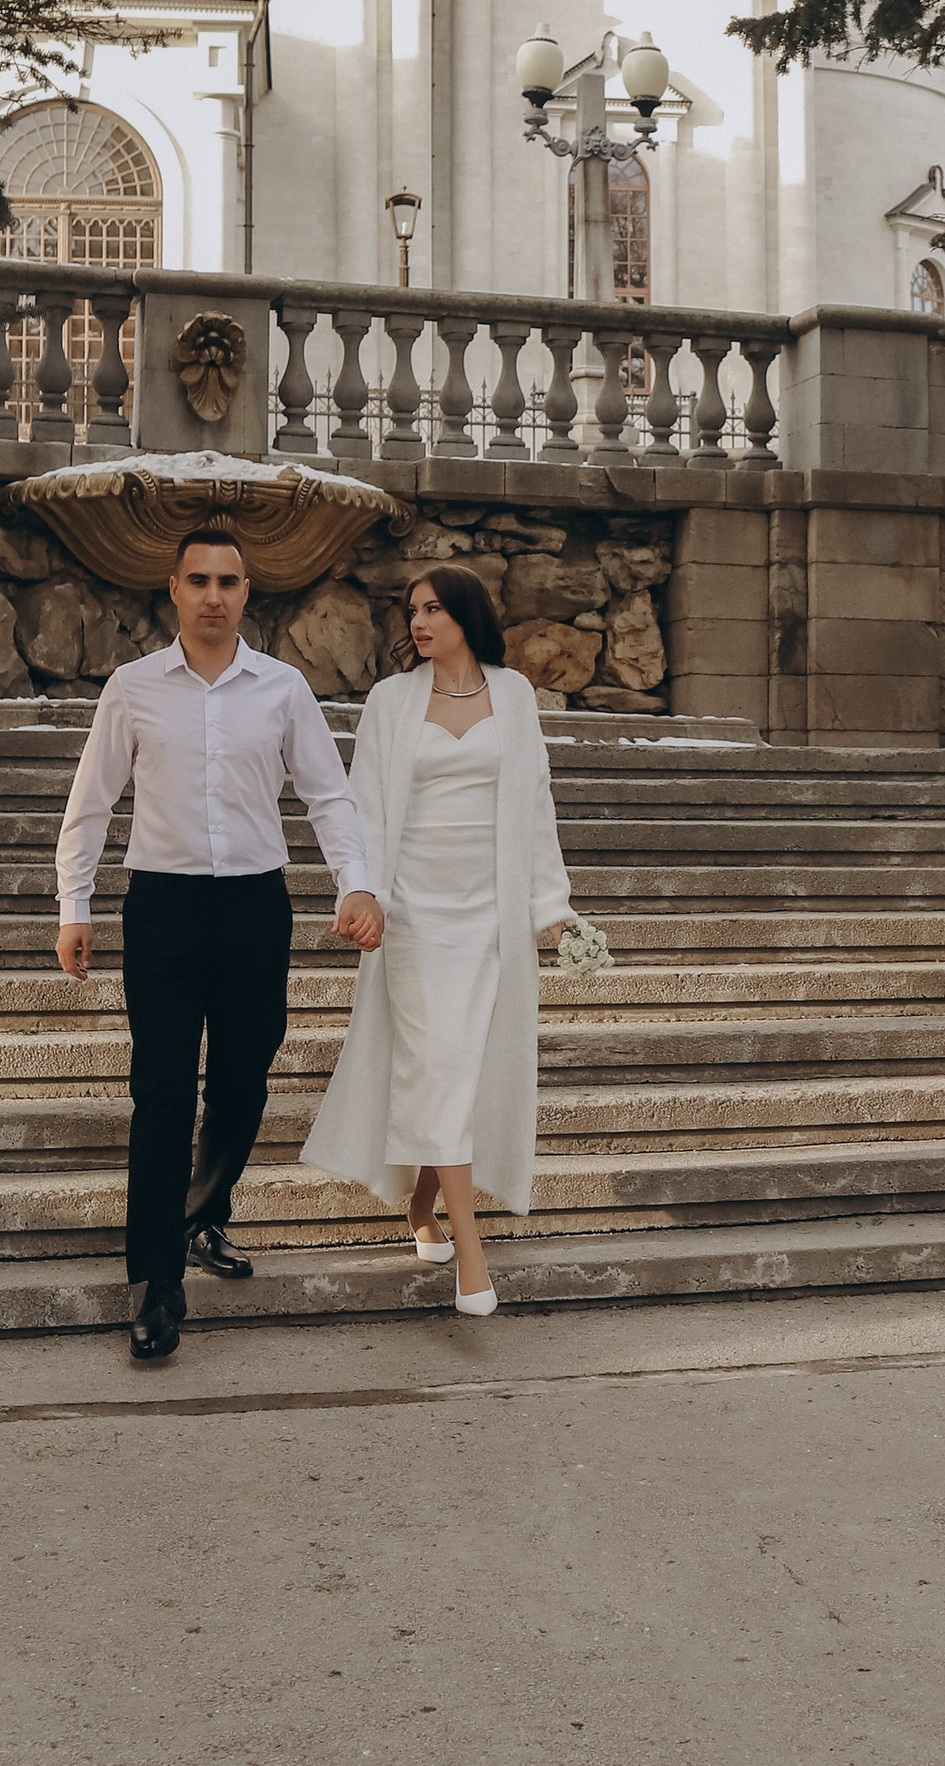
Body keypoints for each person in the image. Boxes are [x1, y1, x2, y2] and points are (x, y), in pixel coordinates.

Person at [55, 525, 383, 1368]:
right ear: (173, 589)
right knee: (162, 1094)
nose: (212, 595)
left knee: (242, 1083)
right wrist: (74, 905)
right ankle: (153, 1283)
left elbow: (329, 795)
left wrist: (355, 882)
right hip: (161, 909)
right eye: (197, 580)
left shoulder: (283, 688)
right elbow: (91, 802)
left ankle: (202, 1213)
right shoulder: (132, 688)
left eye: (227, 582)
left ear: (246, 592)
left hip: (252, 908)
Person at [300, 564, 572, 1312]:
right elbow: (365, 805)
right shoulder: (392, 701)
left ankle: (422, 1205)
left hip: (490, 912)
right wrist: (364, 892)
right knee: (440, 1065)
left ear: (465, 616)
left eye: (432, 610)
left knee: (460, 1071)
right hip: (415, 915)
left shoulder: (513, 695)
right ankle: (472, 1257)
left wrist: (552, 906)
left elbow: (536, 804)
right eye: (412, 610)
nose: (417, 623)